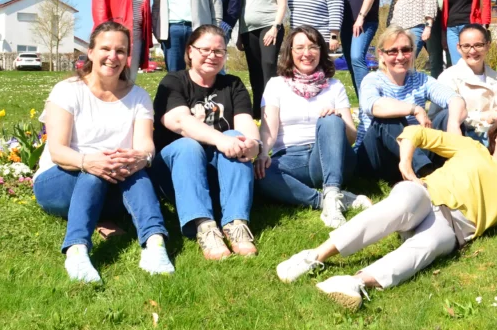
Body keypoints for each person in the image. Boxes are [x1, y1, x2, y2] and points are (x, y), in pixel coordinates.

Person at [276, 110, 497, 311]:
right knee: (399, 204)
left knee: (433, 245)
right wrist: (405, 162)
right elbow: (416, 133)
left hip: (453, 226)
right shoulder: (471, 147)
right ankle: (314, 256)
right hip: (424, 195)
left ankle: (356, 282)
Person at [33, 22, 174, 283]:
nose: (113, 56)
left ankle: (155, 245)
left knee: (137, 169)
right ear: (91, 52)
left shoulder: (138, 97)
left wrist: (140, 157)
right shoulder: (68, 91)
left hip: (113, 183)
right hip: (59, 181)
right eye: (105, 48)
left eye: (120, 51)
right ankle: (77, 250)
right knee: (94, 172)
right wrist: (89, 162)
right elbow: (57, 151)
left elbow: (145, 144)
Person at [151, 25, 261, 260]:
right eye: (205, 49)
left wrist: (253, 144)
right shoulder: (173, 82)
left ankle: (236, 224)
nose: (212, 56)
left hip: (217, 169)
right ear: (190, 51)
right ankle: (205, 226)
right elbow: (179, 121)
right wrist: (220, 139)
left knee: (236, 137)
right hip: (176, 172)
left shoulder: (232, 84)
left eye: (219, 51)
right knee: (189, 145)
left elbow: (245, 123)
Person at [254, 25, 372, 229]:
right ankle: (325, 201)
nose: (306, 53)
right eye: (299, 48)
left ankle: (332, 191)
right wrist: (263, 152)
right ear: (290, 52)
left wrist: (338, 122)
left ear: (321, 51)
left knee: (331, 119)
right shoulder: (276, 84)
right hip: (292, 158)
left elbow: (352, 137)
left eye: (312, 47)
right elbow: (268, 129)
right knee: (260, 175)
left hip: (332, 157)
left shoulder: (335, 86)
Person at [356, 25, 466, 184]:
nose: (400, 57)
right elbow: (373, 105)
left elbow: (455, 99)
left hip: (413, 152)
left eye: (406, 50)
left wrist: (454, 123)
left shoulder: (421, 79)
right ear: (381, 54)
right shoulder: (372, 80)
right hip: (378, 157)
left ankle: (457, 167)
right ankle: (424, 171)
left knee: (448, 115)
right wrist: (414, 109)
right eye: (393, 51)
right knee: (388, 119)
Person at [434, 24, 497, 142]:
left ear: (488, 46)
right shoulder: (448, 78)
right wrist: (485, 117)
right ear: (459, 47)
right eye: (466, 46)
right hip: (464, 139)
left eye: (478, 45)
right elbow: (444, 117)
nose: (472, 51)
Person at [238, 0, 287, 118]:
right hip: (248, 30)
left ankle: (272, 109)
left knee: (268, 66)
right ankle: (258, 111)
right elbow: (242, 7)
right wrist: (238, 35)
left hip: (269, 26)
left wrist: (275, 27)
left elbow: (282, 4)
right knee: (255, 70)